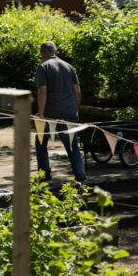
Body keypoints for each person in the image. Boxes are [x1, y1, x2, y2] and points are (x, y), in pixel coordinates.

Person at [34, 40, 86, 184]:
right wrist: (75, 109)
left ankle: (45, 177)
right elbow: (77, 91)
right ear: (55, 52)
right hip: (69, 113)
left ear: (42, 53)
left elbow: (42, 91)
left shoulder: (42, 67)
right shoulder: (69, 67)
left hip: (50, 113)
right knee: (73, 147)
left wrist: (41, 113)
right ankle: (81, 180)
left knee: (41, 144)